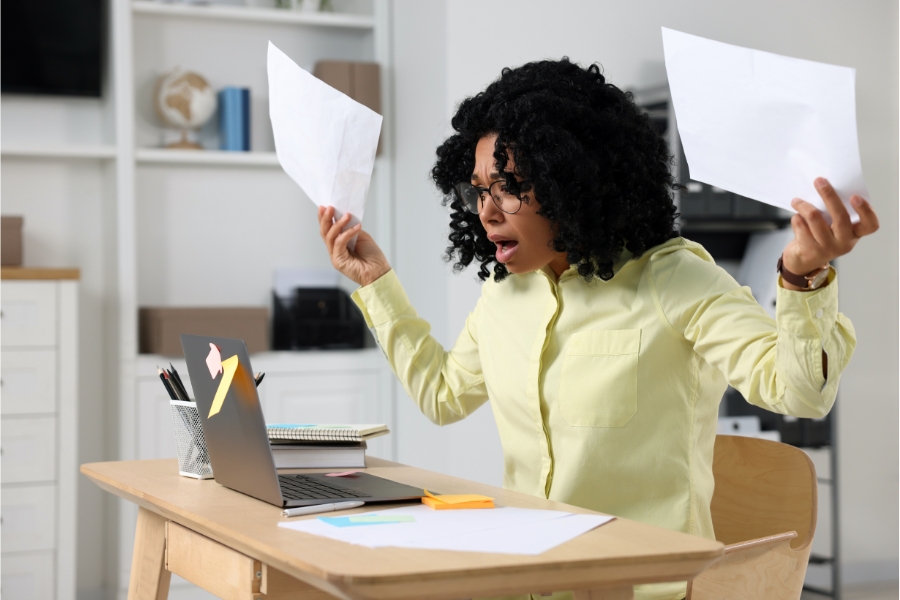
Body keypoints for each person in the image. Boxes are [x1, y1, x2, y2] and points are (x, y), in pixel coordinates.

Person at [317, 59, 879, 600]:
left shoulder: (673, 277)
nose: (487, 212)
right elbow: (442, 396)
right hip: (523, 579)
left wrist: (803, 277)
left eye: (509, 187)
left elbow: (801, 392)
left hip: (642, 588)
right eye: (479, 190)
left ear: (572, 181)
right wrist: (376, 282)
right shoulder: (506, 292)